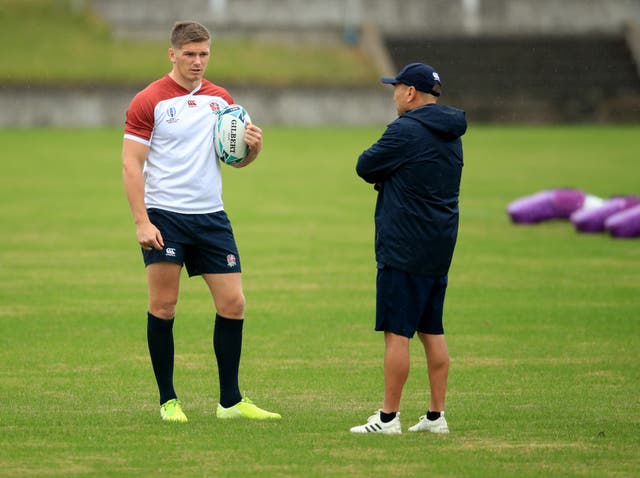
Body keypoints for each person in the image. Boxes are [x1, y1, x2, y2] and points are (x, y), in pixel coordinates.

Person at [122, 21, 280, 423]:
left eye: (204, 54)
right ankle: (168, 401)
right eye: (190, 54)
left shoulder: (222, 101)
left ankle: (230, 402)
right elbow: (131, 163)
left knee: (234, 304)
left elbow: (233, 158)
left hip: (211, 216)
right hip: (165, 216)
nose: (197, 61)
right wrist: (142, 221)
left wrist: (253, 151)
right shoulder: (149, 100)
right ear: (172, 54)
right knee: (164, 305)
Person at [350, 63, 467, 434]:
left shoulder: (405, 130)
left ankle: (387, 418)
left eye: (396, 88)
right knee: (432, 329)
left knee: (397, 332)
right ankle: (436, 416)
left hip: (403, 245)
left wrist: (387, 177)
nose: (394, 94)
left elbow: (365, 165)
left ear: (411, 93)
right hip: (438, 245)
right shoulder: (452, 132)